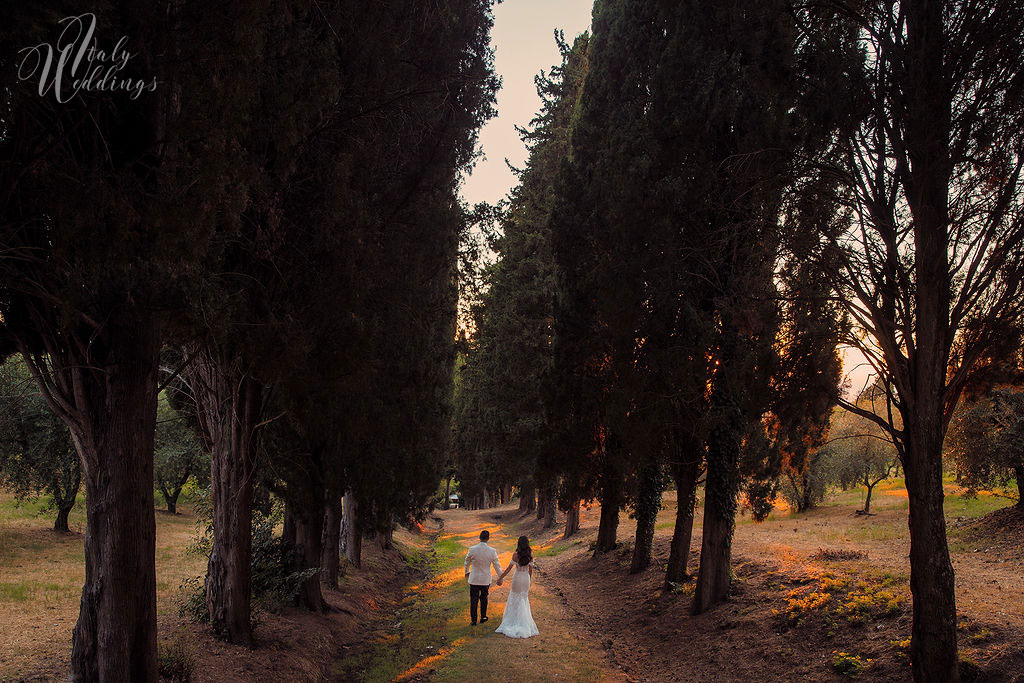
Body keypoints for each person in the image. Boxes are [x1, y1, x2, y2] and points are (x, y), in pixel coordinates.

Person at [495, 535, 539, 638]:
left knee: (514, 598)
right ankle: (524, 622)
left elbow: (508, 569)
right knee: (523, 599)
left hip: (517, 578)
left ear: (519, 543)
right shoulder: (530, 554)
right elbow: (530, 571)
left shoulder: (515, 555)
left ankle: (513, 620)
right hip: (525, 579)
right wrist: (529, 580)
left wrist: (500, 578)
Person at [464, 528, 502, 625]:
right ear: (488, 539)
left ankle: (473, 620)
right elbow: (497, 565)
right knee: (484, 598)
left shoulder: (472, 549)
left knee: (474, 599)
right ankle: (483, 617)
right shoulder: (492, 551)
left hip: (474, 578)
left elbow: (467, 561)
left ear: (479, 537)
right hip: (485, 579)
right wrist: (500, 577)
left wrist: (467, 572)